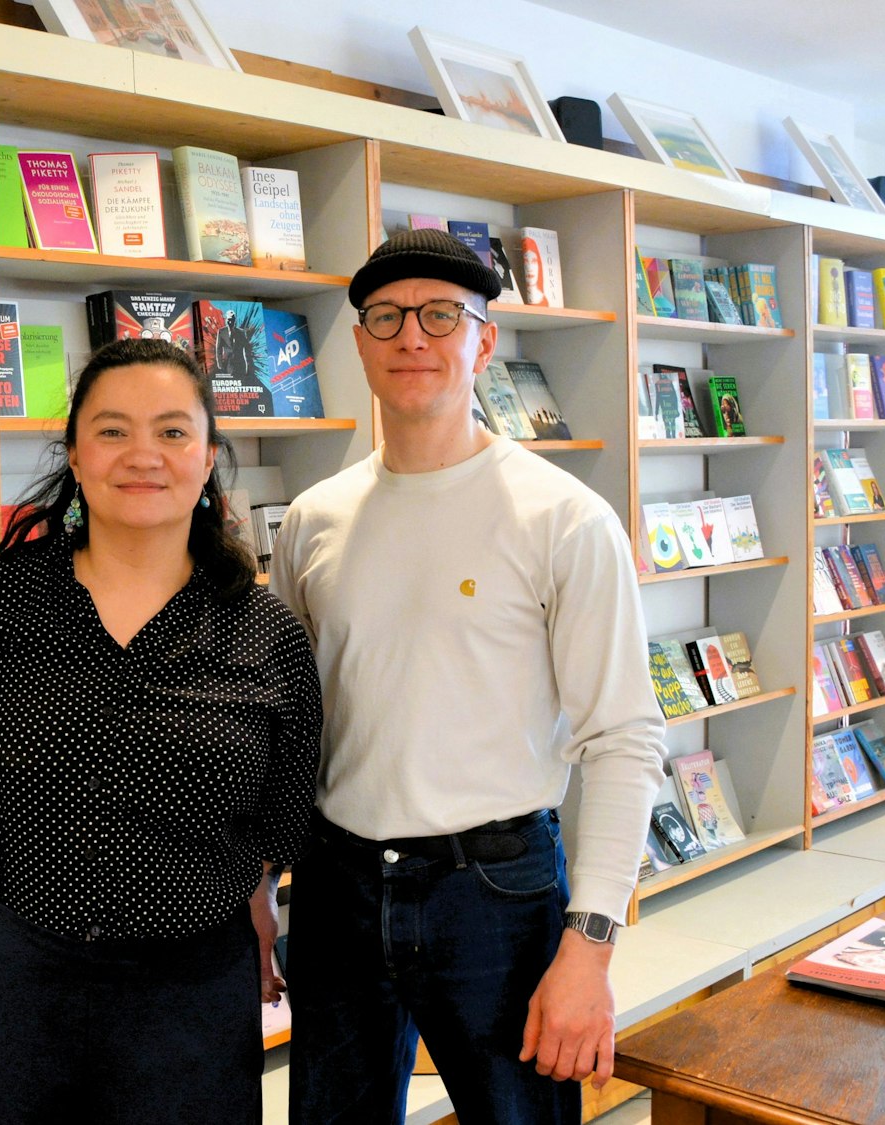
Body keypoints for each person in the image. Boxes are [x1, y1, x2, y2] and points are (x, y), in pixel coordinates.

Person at [273, 229, 666, 1125]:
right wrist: (264, 887)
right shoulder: (311, 521)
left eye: (441, 315)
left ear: (483, 340)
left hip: (498, 892)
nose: (413, 337)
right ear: (362, 343)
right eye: (386, 317)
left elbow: (625, 738)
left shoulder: (564, 518)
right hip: (337, 885)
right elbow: (287, 728)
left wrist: (591, 946)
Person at [0, 336, 323, 1123]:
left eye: (172, 431)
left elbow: (280, 822)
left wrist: (247, 898)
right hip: (14, 983)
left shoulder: (268, 635)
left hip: (192, 995)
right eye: (113, 430)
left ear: (208, 457)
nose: (143, 454)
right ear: (76, 455)